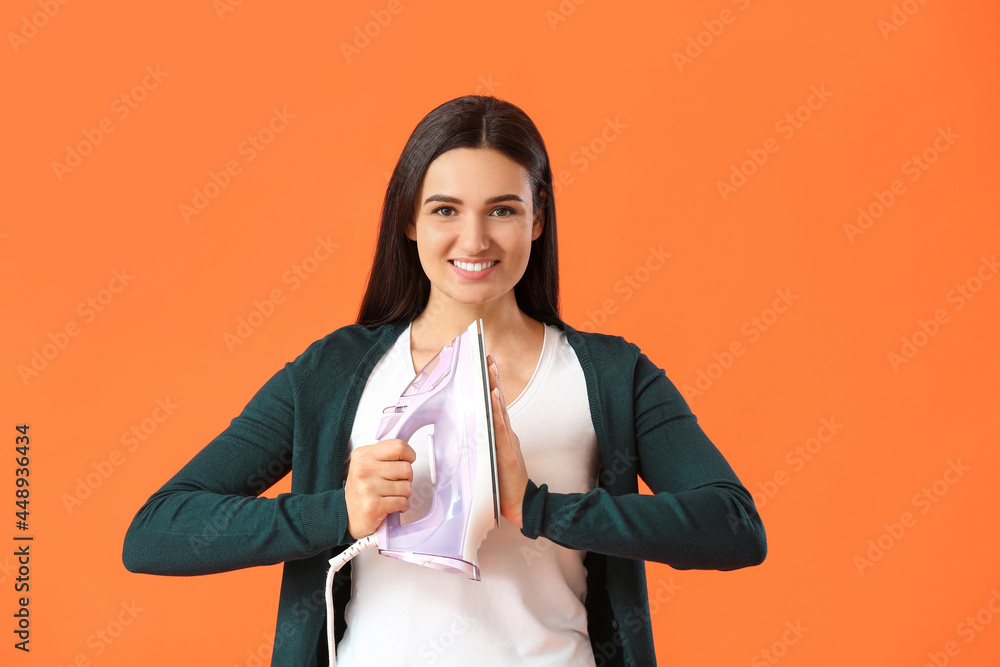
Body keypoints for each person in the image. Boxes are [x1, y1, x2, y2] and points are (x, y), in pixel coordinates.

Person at [122, 94, 767, 666]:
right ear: (409, 221)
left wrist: (539, 508)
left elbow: (735, 527)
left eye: (504, 210)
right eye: (445, 209)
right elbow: (157, 532)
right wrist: (338, 512)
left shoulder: (611, 376)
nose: (474, 238)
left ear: (538, 221)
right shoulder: (334, 374)